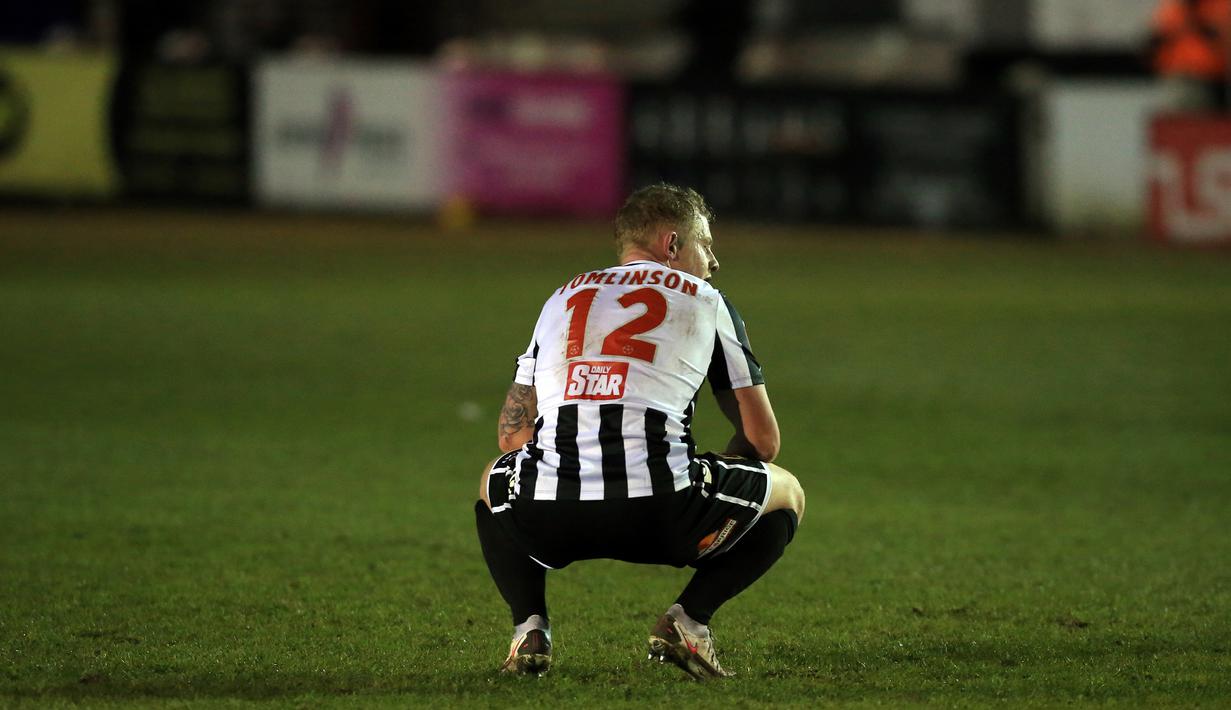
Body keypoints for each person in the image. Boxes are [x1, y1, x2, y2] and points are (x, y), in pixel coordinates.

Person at [474, 183, 806, 680]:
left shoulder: (561, 297)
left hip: (548, 519)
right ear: (672, 245)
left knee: (492, 478)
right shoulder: (706, 300)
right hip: (665, 515)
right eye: (705, 245)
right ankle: (688, 622)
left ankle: (530, 628)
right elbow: (764, 442)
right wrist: (717, 473)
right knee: (788, 492)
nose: (713, 261)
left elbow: (512, 440)